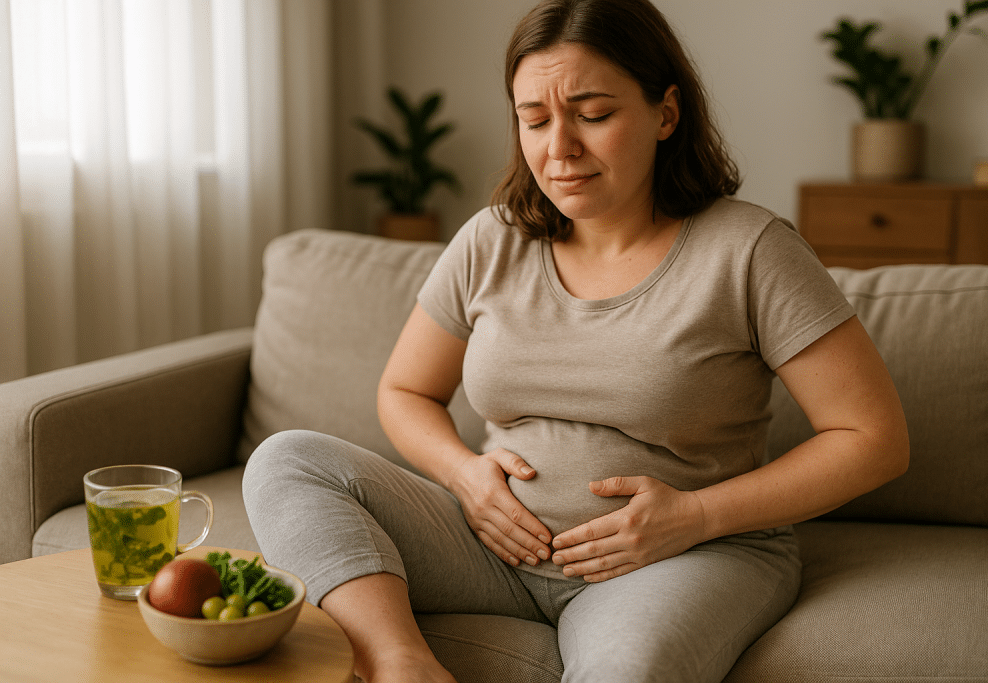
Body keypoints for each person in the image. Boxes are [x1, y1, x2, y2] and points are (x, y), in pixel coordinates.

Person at [242, 0, 910, 681]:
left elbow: (873, 437)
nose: (558, 148)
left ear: (666, 113)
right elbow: (405, 390)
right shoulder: (491, 239)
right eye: (534, 119)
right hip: (493, 548)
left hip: (678, 556)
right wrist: (463, 474)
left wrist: (696, 515)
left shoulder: (750, 250)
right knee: (288, 460)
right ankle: (400, 663)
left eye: (593, 114)